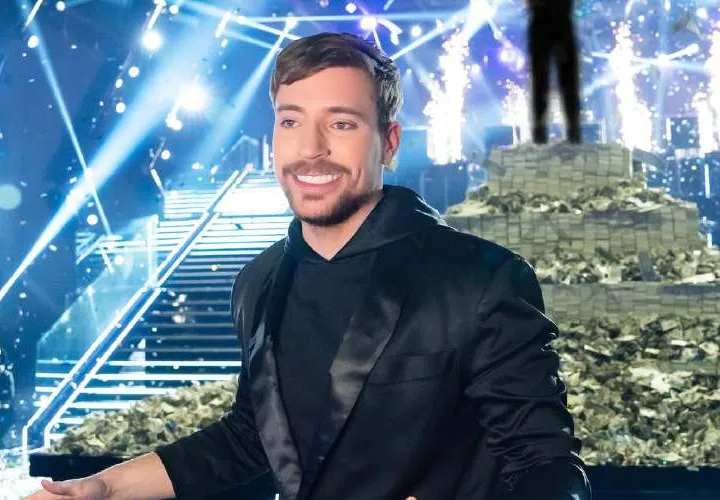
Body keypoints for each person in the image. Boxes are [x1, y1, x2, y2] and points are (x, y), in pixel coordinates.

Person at [27, 32, 591, 500]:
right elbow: (252, 437)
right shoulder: (258, 282)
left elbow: (547, 466)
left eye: (341, 123)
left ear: (389, 142)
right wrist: (104, 487)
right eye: (291, 121)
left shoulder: (481, 278)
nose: (310, 148)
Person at [527, 0, 582, 144]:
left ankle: (571, 132)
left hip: (555, 20)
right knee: (544, 82)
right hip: (550, 21)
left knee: (561, 81)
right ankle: (543, 133)